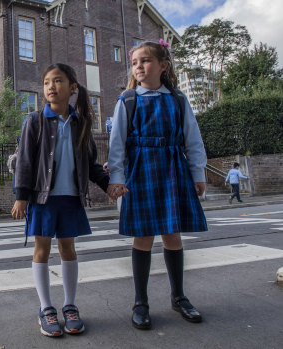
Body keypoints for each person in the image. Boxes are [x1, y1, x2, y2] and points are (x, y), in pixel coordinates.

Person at [107, 40, 208, 330]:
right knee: (143, 238)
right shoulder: (128, 100)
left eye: (146, 61)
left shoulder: (178, 99)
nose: (139, 66)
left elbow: (192, 137)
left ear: (163, 66)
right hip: (141, 172)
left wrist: (198, 173)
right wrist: (117, 179)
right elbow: (117, 146)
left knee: (172, 235)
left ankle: (178, 297)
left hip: (173, 170)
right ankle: (141, 302)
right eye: (135, 62)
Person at [12, 63, 110, 337]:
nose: (51, 87)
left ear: (72, 88)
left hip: (71, 198)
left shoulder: (81, 124)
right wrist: (21, 197)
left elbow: (90, 164)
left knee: (68, 249)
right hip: (42, 199)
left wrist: (109, 184)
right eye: (46, 82)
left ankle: (70, 305)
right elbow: (25, 162)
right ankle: (46, 309)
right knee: (41, 250)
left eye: (57, 81)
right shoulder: (34, 121)